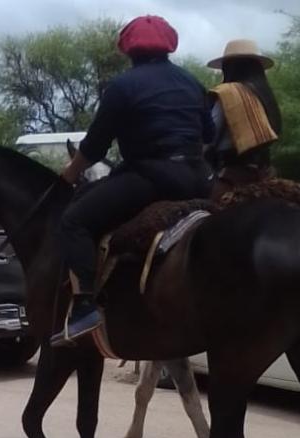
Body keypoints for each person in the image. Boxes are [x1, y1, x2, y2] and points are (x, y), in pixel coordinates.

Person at [53, 15, 216, 345]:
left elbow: (95, 147)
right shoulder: (191, 82)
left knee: (74, 220)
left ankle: (85, 306)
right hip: (199, 180)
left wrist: (69, 175)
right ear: (170, 46)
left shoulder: (123, 87)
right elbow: (208, 136)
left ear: (128, 50)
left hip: (150, 179)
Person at [205, 39, 283, 195]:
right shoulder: (264, 93)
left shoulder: (227, 93)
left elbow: (209, 136)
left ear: (229, 66)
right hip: (264, 170)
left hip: (229, 170)